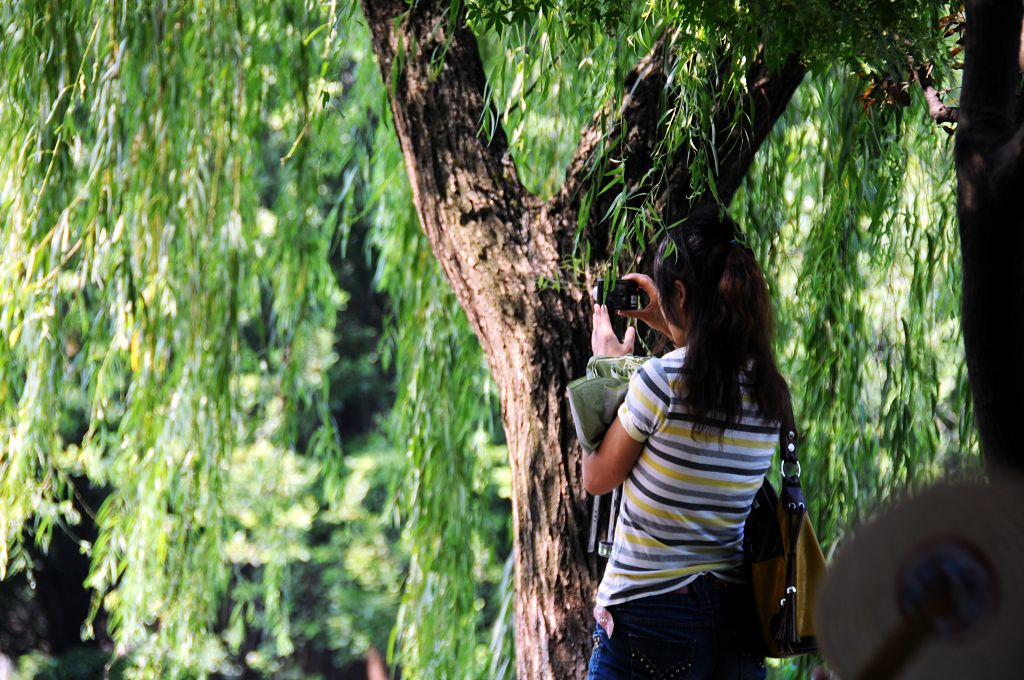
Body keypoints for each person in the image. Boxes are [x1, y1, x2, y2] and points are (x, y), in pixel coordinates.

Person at [584, 204, 789, 680]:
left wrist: (607, 370)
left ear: (679, 291)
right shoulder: (769, 388)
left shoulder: (661, 381)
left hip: (649, 622)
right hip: (735, 630)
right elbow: (702, 368)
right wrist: (671, 321)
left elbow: (596, 477)